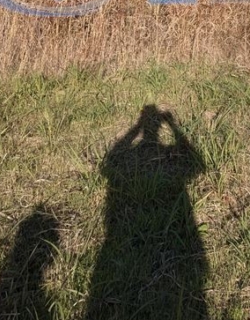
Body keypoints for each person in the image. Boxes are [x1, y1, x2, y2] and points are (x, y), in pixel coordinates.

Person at [84, 105, 208, 319]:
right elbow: (198, 166)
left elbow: (110, 163)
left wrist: (138, 128)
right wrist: (174, 127)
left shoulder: (128, 160)